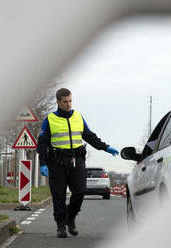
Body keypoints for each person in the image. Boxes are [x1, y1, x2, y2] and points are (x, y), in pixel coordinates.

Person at [36, 88, 119, 238]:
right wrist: (43, 163)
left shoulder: (78, 117)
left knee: (80, 192)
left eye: (70, 101)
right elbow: (42, 144)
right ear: (58, 102)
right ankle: (61, 225)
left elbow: (90, 136)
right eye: (65, 102)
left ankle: (70, 218)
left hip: (77, 161)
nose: (68, 104)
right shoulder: (50, 119)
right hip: (57, 162)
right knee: (59, 196)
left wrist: (105, 147)